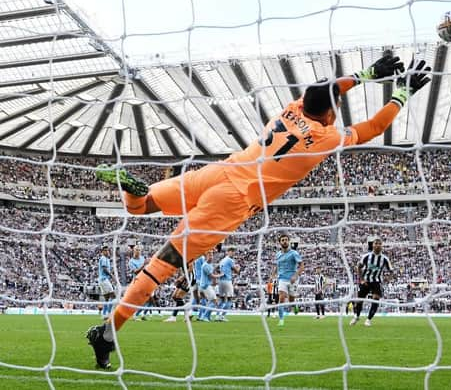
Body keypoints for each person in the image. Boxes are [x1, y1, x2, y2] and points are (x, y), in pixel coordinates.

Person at [86, 54, 430, 368]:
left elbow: (326, 90)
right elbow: (374, 128)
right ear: (331, 112)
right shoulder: (326, 138)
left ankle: (130, 188)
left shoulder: (290, 109)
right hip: (234, 198)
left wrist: (366, 74)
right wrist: (401, 93)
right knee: (161, 267)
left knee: (142, 205)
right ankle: (106, 335)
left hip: (218, 172)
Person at [350, 236, 393, 327]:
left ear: (382, 246)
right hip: (366, 281)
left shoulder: (385, 259)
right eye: (376, 243)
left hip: (376, 282)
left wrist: (387, 279)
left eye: (379, 244)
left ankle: (368, 319)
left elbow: (391, 271)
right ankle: (356, 316)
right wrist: (361, 279)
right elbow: (358, 267)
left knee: (376, 300)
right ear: (372, 245)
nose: (378, 245)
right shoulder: (366, 257)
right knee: (359, 301)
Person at [276, 234, 304, 327]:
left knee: (291, 299)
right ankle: (281, 319)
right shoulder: (278, 254)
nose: (284, 241)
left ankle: (294, 305)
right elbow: (277, 266)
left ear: (289, 241)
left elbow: (302, 266)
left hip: (292, 279)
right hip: (282, 279)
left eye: (286, 240)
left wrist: (295, 275)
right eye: (282, 240)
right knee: (281, 297)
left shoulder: (294, 253)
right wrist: (272, 275)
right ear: (280, 242)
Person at [215, 247, 240, 322]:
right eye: (232, 252)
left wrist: (221, 273)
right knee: (230, 299)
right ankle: (222, 316)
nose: (233, 253)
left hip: (220, 281)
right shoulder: (230, 260)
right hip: (227, 281)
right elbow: (236, 271)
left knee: (221, 299)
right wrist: (238, 268)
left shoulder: (222, 260)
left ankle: (217, 315)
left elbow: (216, 268)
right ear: (228, 252)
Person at [197, 250, 219, 322]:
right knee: (214, 301)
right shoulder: (205, 265)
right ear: (206, 256)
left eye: (212, 255)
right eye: (209, 255)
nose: (211, 256)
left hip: (205, 285)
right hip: (205, 286)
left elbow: (211, 276)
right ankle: (205, 316)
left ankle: (207, 316)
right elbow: (211, 276)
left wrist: (214, 282)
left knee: (209, 302)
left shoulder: (209, 265)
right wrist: (221, 275)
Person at [128, 246, 148, 321]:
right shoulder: (131, 261)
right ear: (134, 250)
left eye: (139, 250)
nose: (138, 251)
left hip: (145, 281)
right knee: (136, 300)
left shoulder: (143, 258)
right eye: (136, 250)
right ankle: (133, 315)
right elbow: (136, 272)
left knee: (144, 299)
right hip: (137, 281)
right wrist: (143, 265)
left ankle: (139, 314)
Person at [97, 246, 116, 320]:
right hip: (104, 279)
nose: (107, 252)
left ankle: (104, 314)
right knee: (113, 296)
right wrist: (112, 276)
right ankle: (109, 313)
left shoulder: (106, 259)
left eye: (107, 250)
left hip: (102, 280)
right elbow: (104, 269)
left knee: (107, 298)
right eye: (105, 250)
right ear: (102, 252)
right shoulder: (103, 258)